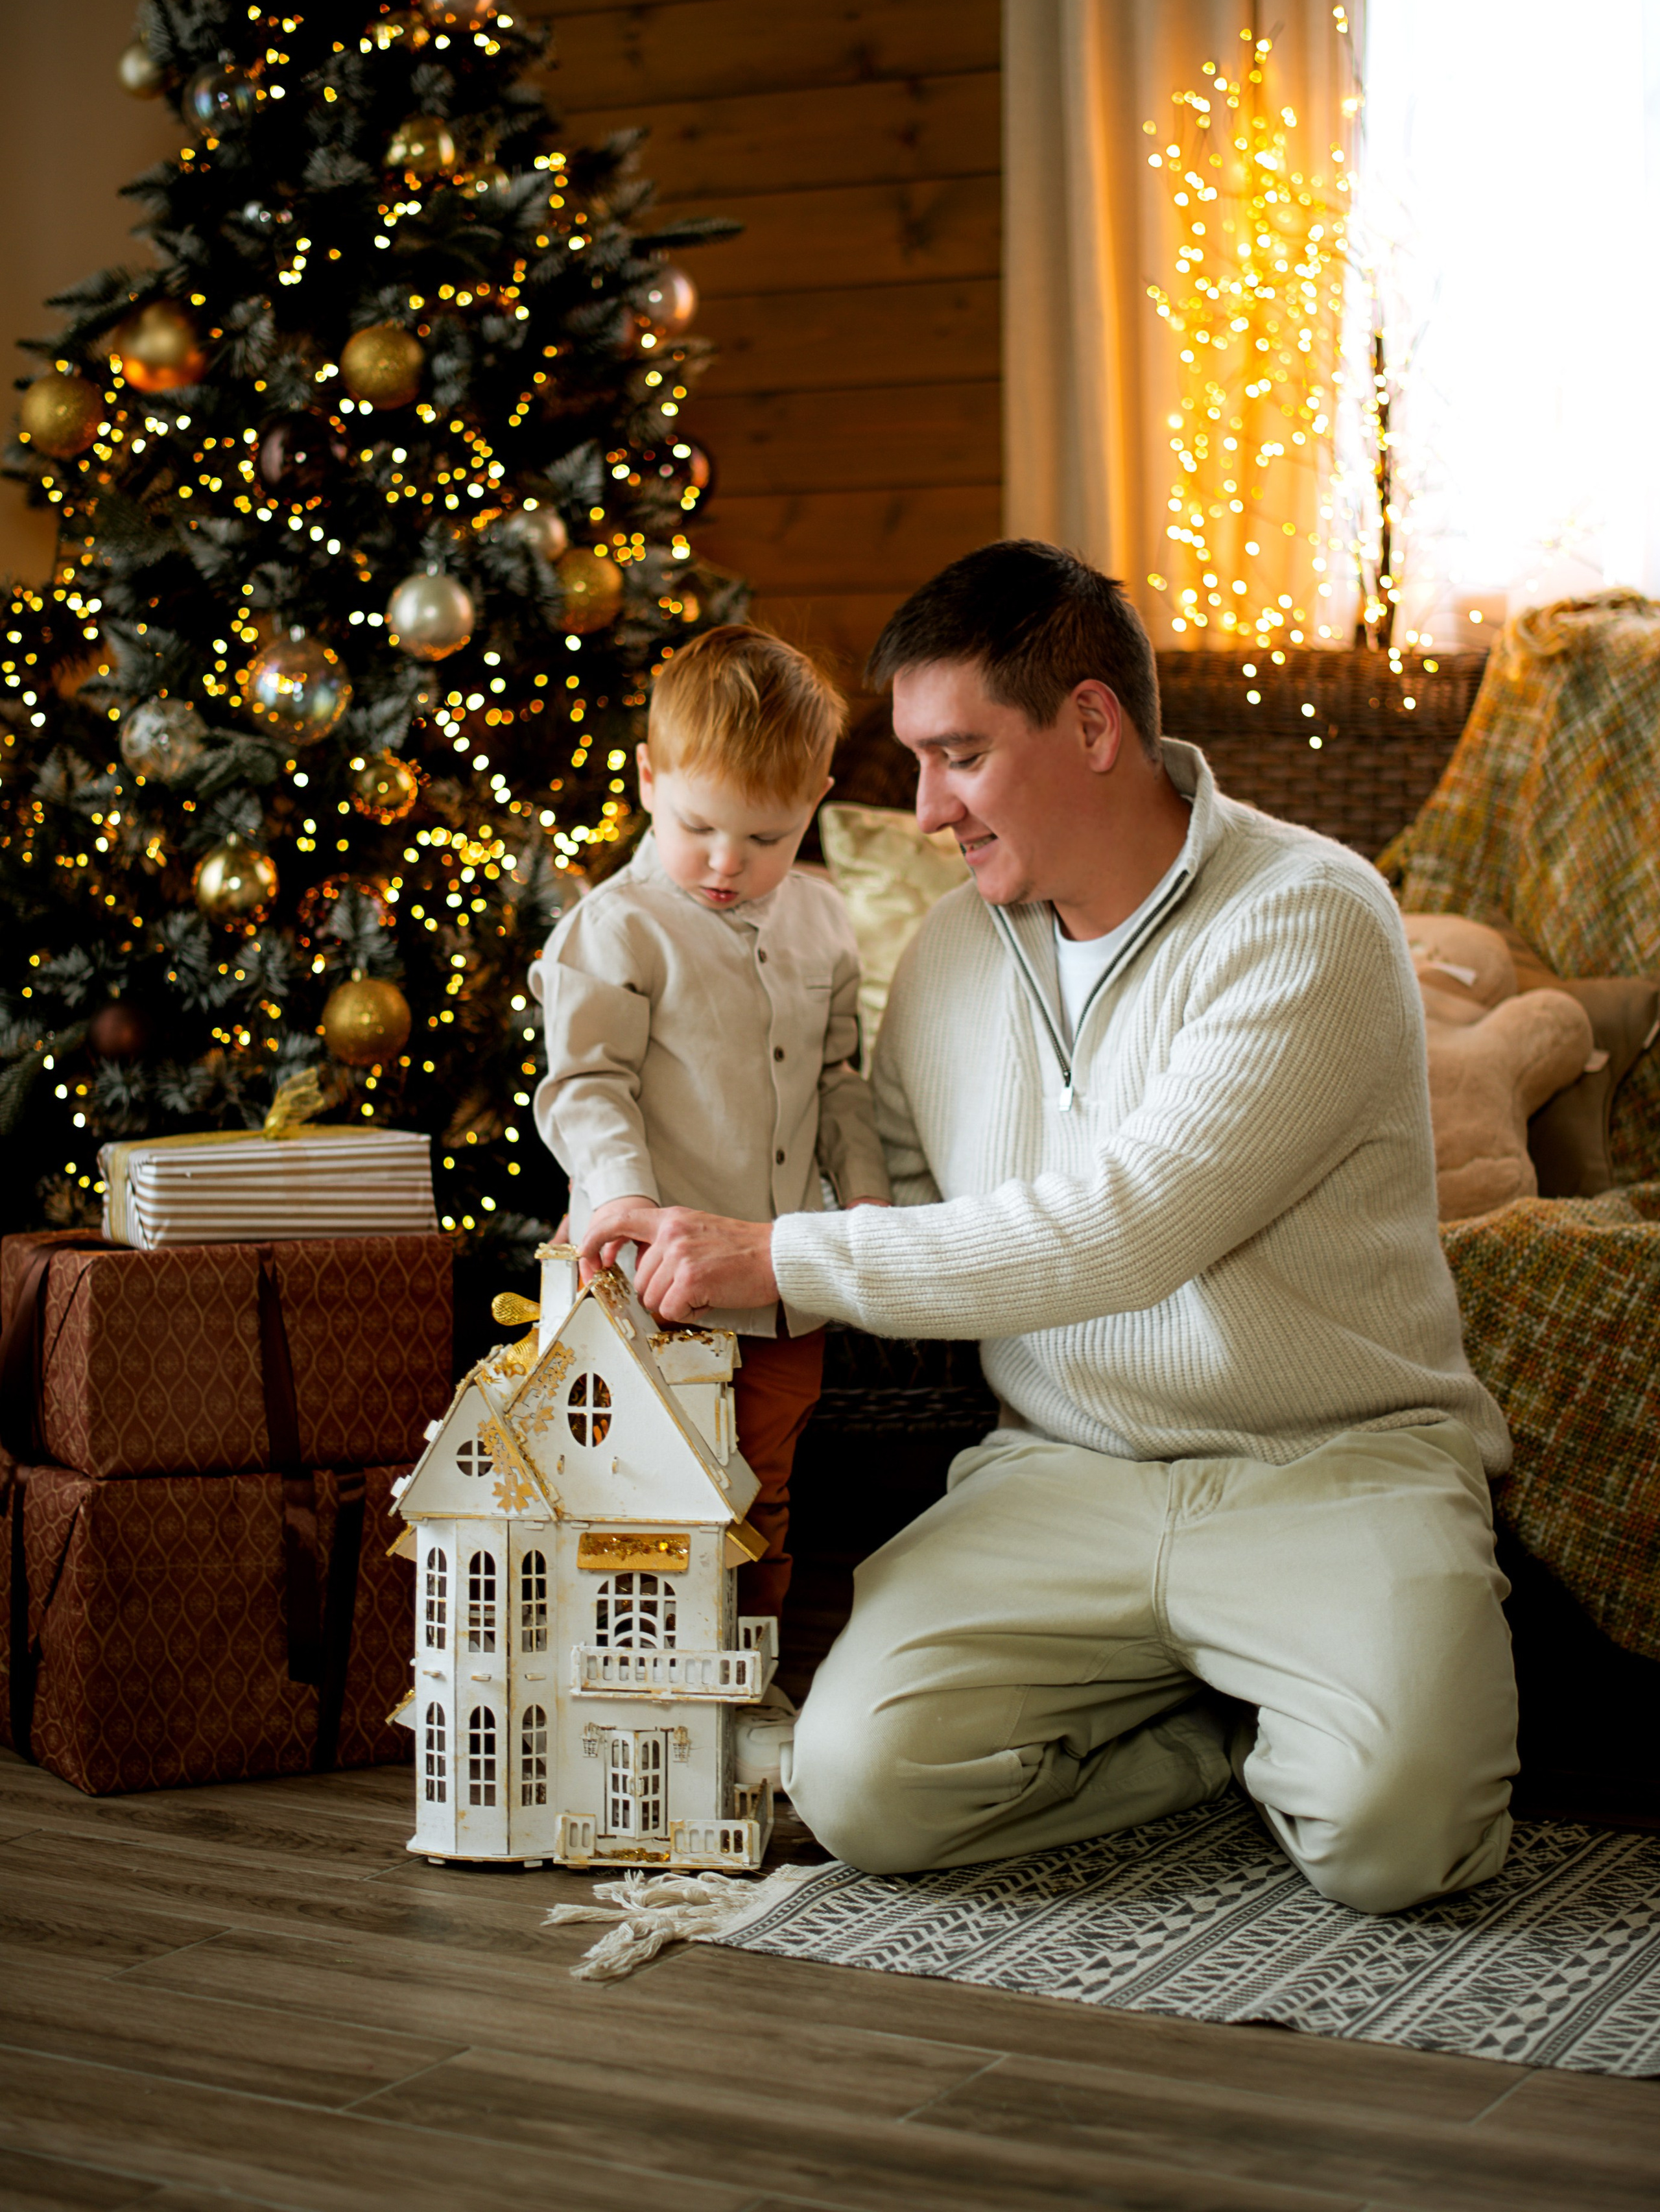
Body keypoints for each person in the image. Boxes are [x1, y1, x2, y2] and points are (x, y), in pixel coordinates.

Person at [580, 542, 1520, 1915]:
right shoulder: (954, 953)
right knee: (859, 1793)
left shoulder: (1309, 915)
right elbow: (892, 1200)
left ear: (1090, 724)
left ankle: (1290, 1707)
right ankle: (1207, 1738)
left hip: (1330, 1464)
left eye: (955, 754)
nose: (920, 811)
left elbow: (1126, 1229)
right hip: (1059, 1474)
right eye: (909, 761)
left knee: (1396, 1843)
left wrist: (766, 1254)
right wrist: (660, 1184)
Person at [532, 624, 890, 1619]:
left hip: (782, 1283)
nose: (727, 862)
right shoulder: (617, 926)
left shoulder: (821, 916)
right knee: (641, 1489)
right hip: (648, 1281)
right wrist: (625, 1199)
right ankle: (637, 1668)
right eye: (700, 826)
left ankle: (749, 1671)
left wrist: (865, 1194)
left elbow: (838, 1076)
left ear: (814, 799)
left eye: (766, 838)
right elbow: (585, 1084)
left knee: (761, 1488)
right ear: (648, 779)